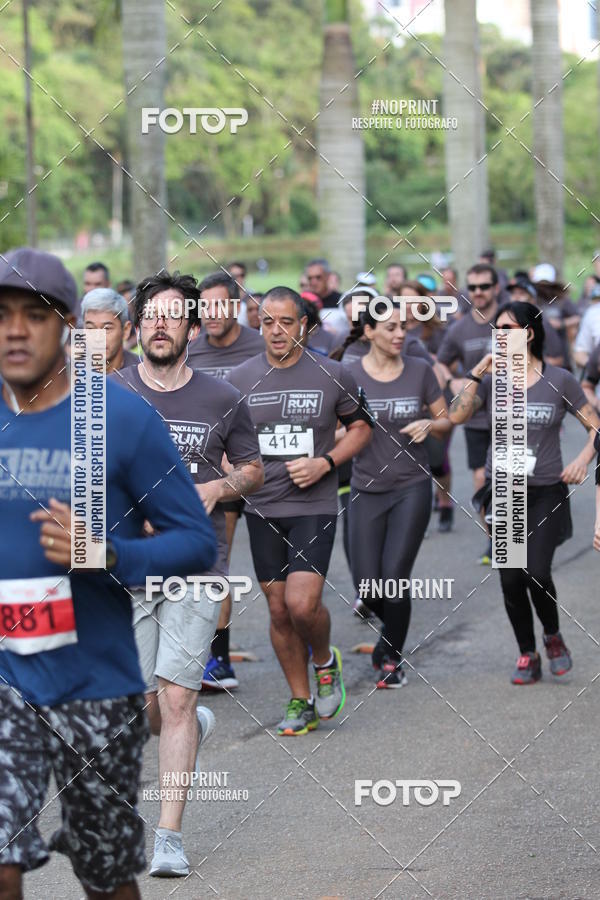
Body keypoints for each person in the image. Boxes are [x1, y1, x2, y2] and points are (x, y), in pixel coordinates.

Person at [0, 248, 217, 899]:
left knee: (103, 877)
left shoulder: (121, 420)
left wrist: (109, 554)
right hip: (6, 678)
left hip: (96, 683)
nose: (14, 329)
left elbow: (195, 542)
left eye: (32, 316)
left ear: (65, 324)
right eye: (1, 315)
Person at [116, 271, 263, 877]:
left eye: (174, 315)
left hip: (196, 567)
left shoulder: (221, 397)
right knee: (144, 704)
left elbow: (253, 470)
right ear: (137, 325)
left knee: (177, 695)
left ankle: (169, 838)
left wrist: (214, 488)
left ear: (192, 327)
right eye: (151, 314)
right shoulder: (108, 394)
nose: (160, 324)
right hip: (125, 567)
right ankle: (188, 724)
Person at [228, 287, 373, 735]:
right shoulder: (238, 379)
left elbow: (361, 428)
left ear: (304, 325)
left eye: (286, 322)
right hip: (263, 507)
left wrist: (325, 462)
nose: (276, 330)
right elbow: (224, 443)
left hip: (314, 503)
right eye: (267, 321)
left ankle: (325, 661)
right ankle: (299, 698)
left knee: (301, 603)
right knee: (277, 610)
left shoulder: (333, 374)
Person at [449, 301, 600, 684]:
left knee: (536, 571)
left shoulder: (560, 380)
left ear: (528, 334)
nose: (498, 335)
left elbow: (595, 427)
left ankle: (552, 636)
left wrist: (584, 457)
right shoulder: (490, 379)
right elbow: (457, 415)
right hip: (503, 492)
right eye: (495, 329)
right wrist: (475, 372)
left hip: (546, 490)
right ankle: (526, 653)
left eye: (506, 328)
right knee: (510, 579)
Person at [343, 302, 451, 686]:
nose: (399, 334)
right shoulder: (349, 374)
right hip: (365, 487)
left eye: (403, 327)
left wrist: (430, 423)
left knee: (394, 576)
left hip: (411, 485)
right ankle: (386, 638)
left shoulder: (420, 370)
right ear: (368, 332)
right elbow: (333, 428)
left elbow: (445, 420)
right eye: (389, 328)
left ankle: (390, 657)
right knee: (367, 585)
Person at [189, 272, 264, 690]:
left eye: (219, 304)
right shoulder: (192, 349)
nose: (211, 314)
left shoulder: (260, 343)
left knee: (282, 575)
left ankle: (302, 632)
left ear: (236, 305)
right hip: (218, 476)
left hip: (270, 470)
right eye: (204, 306)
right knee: (217, 561)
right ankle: (219, 659)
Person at [437, 263, 501, 559]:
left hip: (510, 414)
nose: (478, 292)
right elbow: (440, 363)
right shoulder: (459, 328)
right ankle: (494, 540)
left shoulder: (510, 320)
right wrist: (452, 381)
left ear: (495, 287)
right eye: (473, 287)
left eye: (484, 286)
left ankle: (518, 539)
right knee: (481, 480)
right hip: (476, 416)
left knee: (513, 477)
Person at [81, 287, 139, 373]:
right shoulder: (69, 377)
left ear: (126, 330)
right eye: (91, 328)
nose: (98, 338)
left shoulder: (144, 373)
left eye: (107, 328)